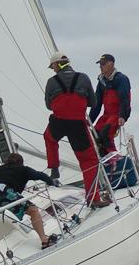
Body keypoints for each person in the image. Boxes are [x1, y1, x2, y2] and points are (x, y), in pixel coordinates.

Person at [44, 52, 109, 207]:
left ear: (57, 65)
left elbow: (48, 105)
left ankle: (54, 167)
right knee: (89, 162)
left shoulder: (51, 82)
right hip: (77, 124)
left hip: (58, 121)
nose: (52, 69)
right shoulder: (84, 78)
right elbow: (93, 103)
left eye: (53, 66)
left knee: (49, 138)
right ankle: (93, 199)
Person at [0, 153, 56, 249]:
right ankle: (44, 240)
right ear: (21, 162)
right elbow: (41, 175)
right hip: (4, 191)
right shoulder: (23, 169)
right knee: (33, 210)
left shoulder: (0, 168)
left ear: (7, 162)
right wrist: (52, 182)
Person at [89, 53, 131, 154]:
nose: (100, 67)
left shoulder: (121, 79)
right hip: (107, 115)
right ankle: (105, 158)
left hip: (118, 113)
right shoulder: (102, 82)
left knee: (105, 134)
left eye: (103, 64)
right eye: (100, 64)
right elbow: (97, 103)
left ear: (111, 64)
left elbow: (124, 99)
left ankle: (115, 158)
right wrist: (89, 121)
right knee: (95, 134)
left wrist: (122, 116)